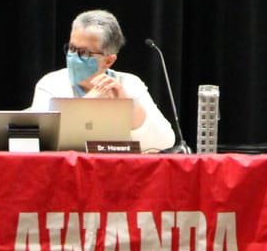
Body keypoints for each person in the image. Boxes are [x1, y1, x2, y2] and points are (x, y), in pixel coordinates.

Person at [31, 9, 176, 151]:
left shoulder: (130, 84)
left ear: (108, 61)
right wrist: (86, 105)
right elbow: (40, 140)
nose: (73, 57)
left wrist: (128, 107)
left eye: (83, 53)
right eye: (71, 48)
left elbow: (165, 142)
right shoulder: (51, 83)